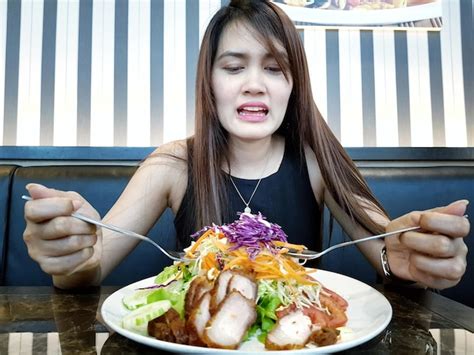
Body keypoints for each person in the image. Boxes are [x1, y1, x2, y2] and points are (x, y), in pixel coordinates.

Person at [23, 0, 469, 290]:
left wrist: (411, 260)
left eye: (275, 69)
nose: (255, 84)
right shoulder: (174, 163)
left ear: (294, 86)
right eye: (234, 67)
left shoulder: (314, 163)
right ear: (209, 83)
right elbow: (94, 261)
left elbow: (387, 248)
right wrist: (73, 254)